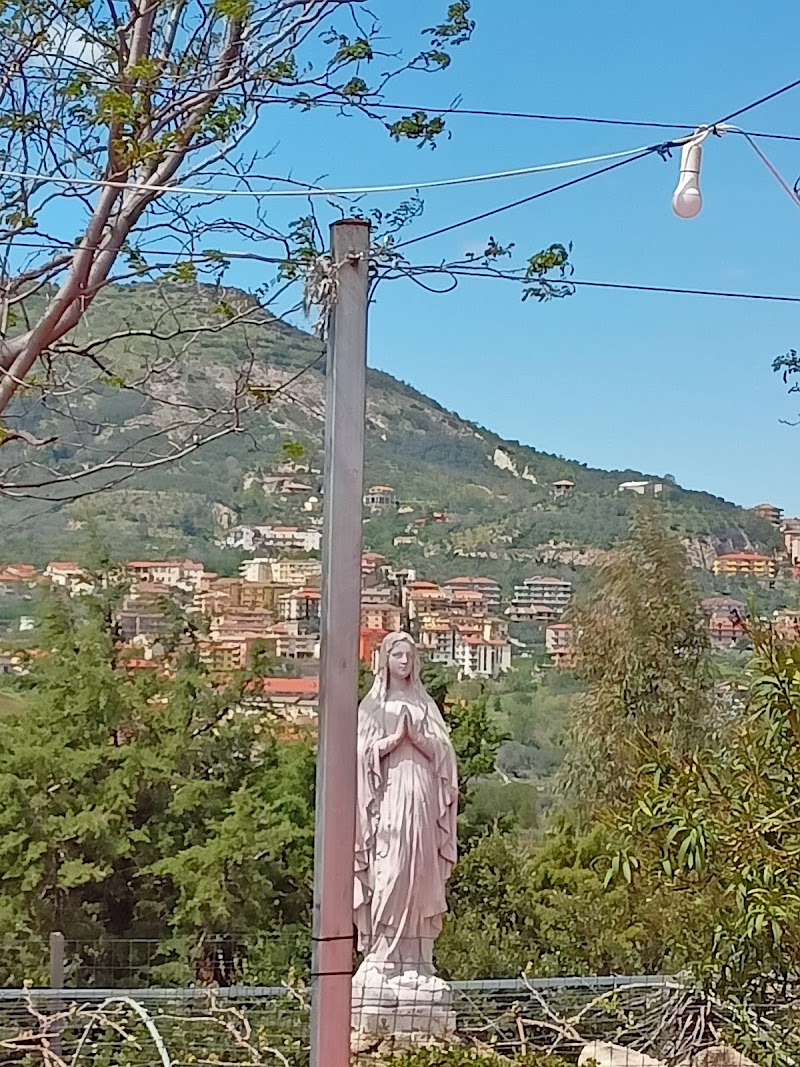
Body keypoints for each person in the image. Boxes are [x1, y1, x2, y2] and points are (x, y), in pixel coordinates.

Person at [354, 631, 458, 989]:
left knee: (420, 873)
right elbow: (358, 755)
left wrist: (422, 741)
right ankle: (382, 955)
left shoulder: (424, 705)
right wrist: (392, 743)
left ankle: (417, 958)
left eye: (409, 656)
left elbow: (445, 754)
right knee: (392, 869)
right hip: (389, 798)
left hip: (423, 797)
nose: (404, 661)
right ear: (385, 659)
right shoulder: (373, 706)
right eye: (398, 655)